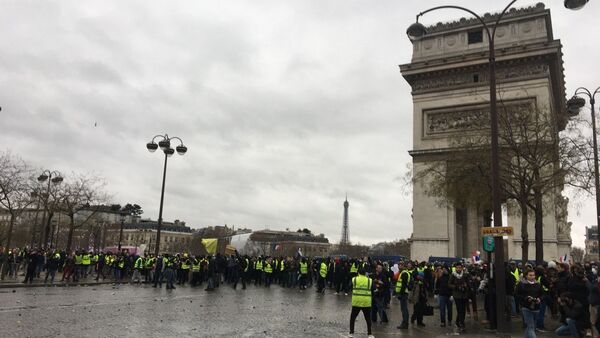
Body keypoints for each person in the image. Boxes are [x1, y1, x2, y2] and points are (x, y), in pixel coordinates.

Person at [349, 267, 375, 338]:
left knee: (353, 318)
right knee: (368, 319)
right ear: (365, 273)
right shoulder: (370, 280)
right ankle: (369, 334)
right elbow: (373, 289)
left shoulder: (354, 279)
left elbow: (349, 287)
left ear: (358, 273)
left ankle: (351, 333)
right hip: (366, 302)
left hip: (356, 302)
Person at [516, 268, 542, 338]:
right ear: (526, 276)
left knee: (531, 327)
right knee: (530, 326)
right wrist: (526, 298)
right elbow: (517, 295)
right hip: (526, 307)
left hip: (536, 307)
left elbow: (543, 294)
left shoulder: (538, 284)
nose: (532, 277)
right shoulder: (521, 284)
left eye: (533, 275)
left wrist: (539, 299)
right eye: (530, 275)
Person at [449, 261, 469, 331]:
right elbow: (449, 284)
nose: (458, 269)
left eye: (460, 267)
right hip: (457, 295)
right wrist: (456, 287)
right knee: (460, 309)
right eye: (457, 268)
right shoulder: (453, 275)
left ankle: (458, 322)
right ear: (455, 268)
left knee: (463, 310)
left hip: (464, 295)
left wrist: (465, 286)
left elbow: (468, 284)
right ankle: (462, 324)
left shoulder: (465, 275)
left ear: (462, 268)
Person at [395, 261, 413, 330]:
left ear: (403, 266)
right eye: (399, 265)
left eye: (401, 265)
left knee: (404, 309)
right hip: (403, 293)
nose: (399, 266)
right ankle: (404, 323)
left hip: (403, 294)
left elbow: (404, 285)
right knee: (403, 309)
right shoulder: (403, 272)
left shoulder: (404, 273)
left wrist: (400, 293)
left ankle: (405, 323)